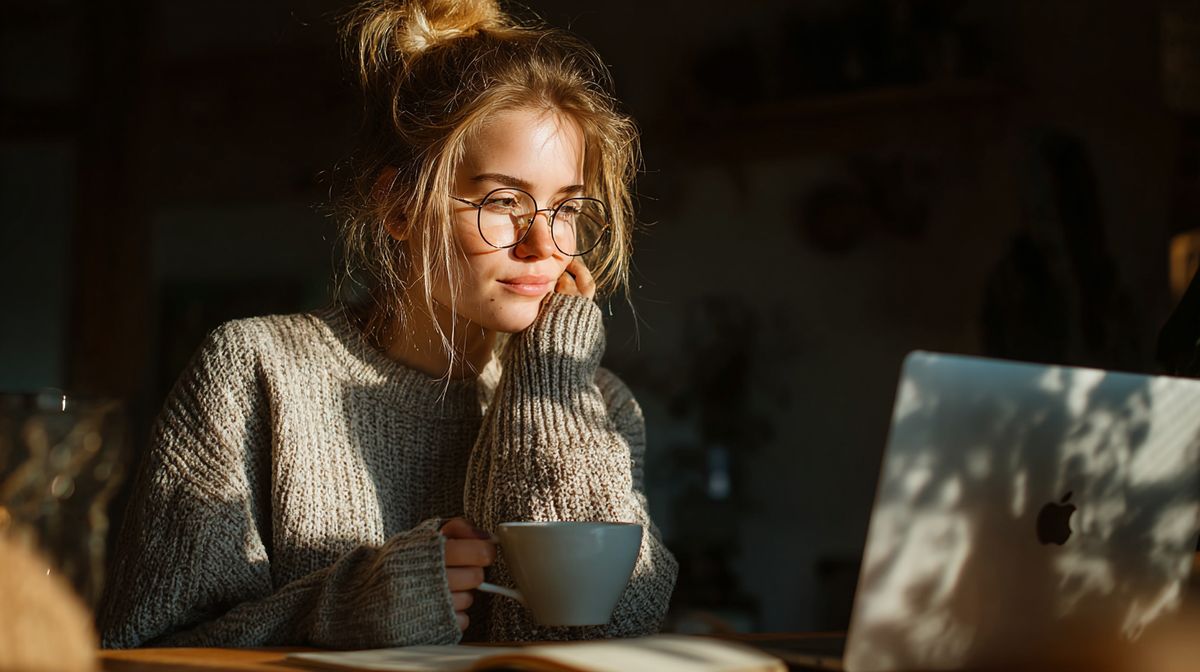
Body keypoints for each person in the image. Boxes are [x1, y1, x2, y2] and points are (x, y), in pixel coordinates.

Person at [97, 0, 677, 648]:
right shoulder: (256, 372)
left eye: (565, 208)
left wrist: (549, 384)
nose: (545, 243)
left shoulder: (595, 405)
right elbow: (141, 651)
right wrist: (353, 607)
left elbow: (595, 635)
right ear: (398, 206)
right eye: (504, 201)